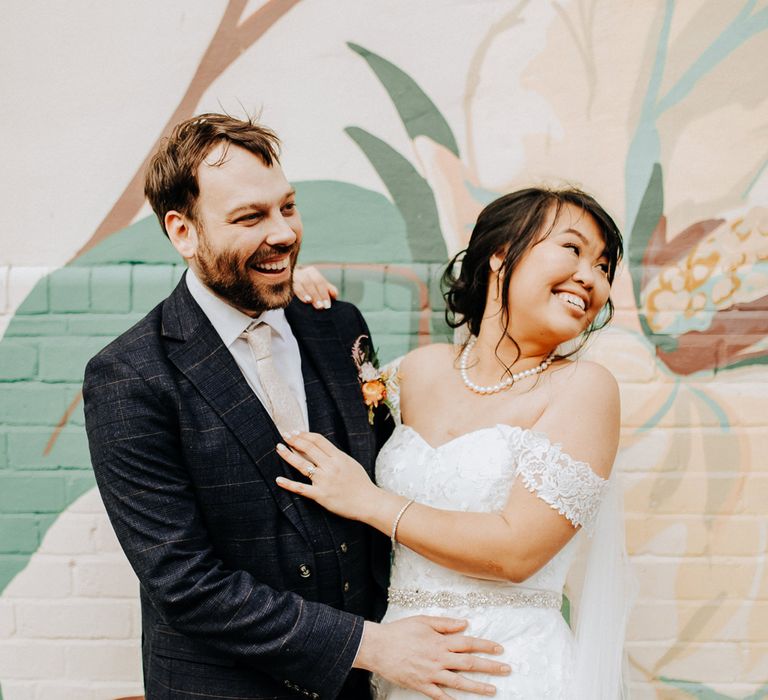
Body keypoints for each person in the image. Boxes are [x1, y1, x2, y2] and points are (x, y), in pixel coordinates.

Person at [82, 113, 511, 700]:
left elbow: (389, 473)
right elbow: (184, 584)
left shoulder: (339, 327)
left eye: (287, 207)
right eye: (250, 218)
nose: (283, 233)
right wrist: (372, 645)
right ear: (182, 232)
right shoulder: (129, 375)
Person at [278, 187, 634, 698]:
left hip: (508, 673)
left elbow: (517, 551)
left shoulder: (585, 388)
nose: (591, 278)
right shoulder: (418, 370)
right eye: (573, 249)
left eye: (604, 267)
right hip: (398, 668)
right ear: (500, 253)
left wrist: (370, 502)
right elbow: (311, 423)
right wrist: (297, 309)